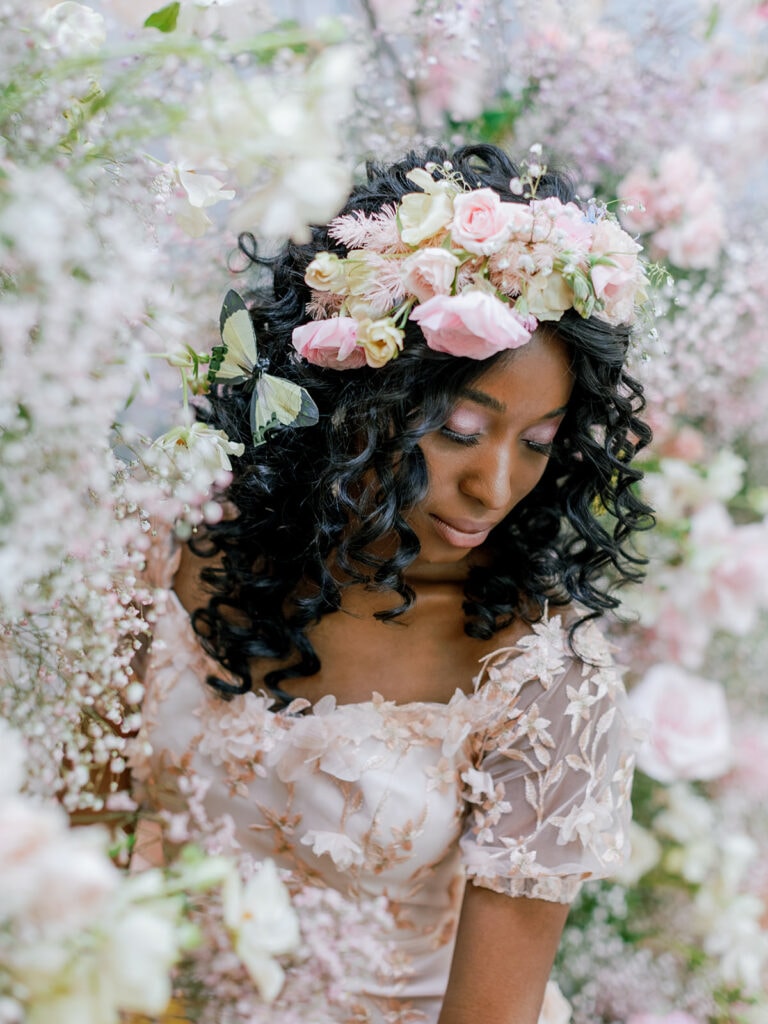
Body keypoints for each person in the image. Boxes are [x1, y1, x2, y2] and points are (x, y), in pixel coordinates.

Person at [130, 143, 653, 1024]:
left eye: (536, 442)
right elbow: (81, 829)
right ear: (354, 399)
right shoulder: (175, 545)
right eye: (458, 428)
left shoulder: (545, 677)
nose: (494, 487)